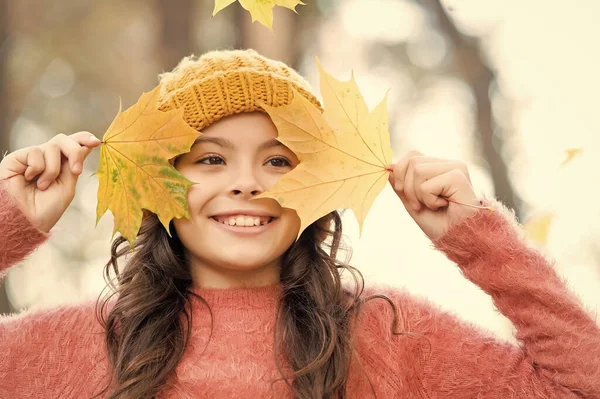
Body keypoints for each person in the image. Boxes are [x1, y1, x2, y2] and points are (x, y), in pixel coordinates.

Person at [0, 49, 598, 399]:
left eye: (279, 160)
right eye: (211, 158)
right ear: (157, 182)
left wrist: (479, 240)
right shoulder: (79, 342)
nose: (247, 182)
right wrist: (8, 225)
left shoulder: (382, 332)